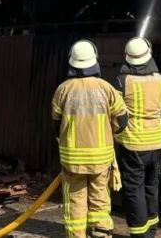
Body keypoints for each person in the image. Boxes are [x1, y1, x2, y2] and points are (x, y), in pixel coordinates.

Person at [52, 40, 129, 238]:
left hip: (72, 160)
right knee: (100, 200)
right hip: (101, 158)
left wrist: (64, 140)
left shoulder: (63, 90)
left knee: (75, 202)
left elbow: (56, 124)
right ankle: (101, 234)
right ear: (94, 61)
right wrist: (108, 132)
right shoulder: (106, 88)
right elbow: (121, 120)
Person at [114, 37, 161, 238]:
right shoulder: (159, 79)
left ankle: (139, 233)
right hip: (156, 141)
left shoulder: (122, 80)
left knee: (134, 188)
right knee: (151, 185)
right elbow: (160, 104)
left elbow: (116, 112)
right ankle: (151, 231)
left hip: (133, 143)